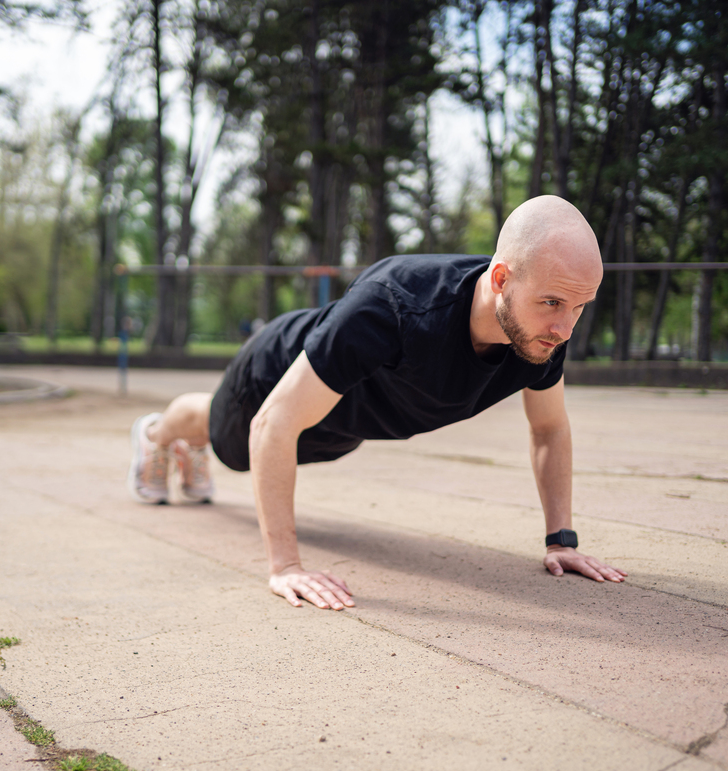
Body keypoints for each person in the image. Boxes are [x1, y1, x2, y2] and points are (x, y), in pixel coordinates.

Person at [127, 195, 627, 610]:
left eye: (579, 307)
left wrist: (561, 540)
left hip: (346, 420)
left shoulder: (540, 335)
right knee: (228, 443)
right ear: (501, 279)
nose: (565, 328)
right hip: (274, 379)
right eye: (552, 303)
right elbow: (272, 424)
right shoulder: (395, 304)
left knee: (316, 442)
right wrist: (286, 567)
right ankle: (156, 435)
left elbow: (549, 429)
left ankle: (187, 441)